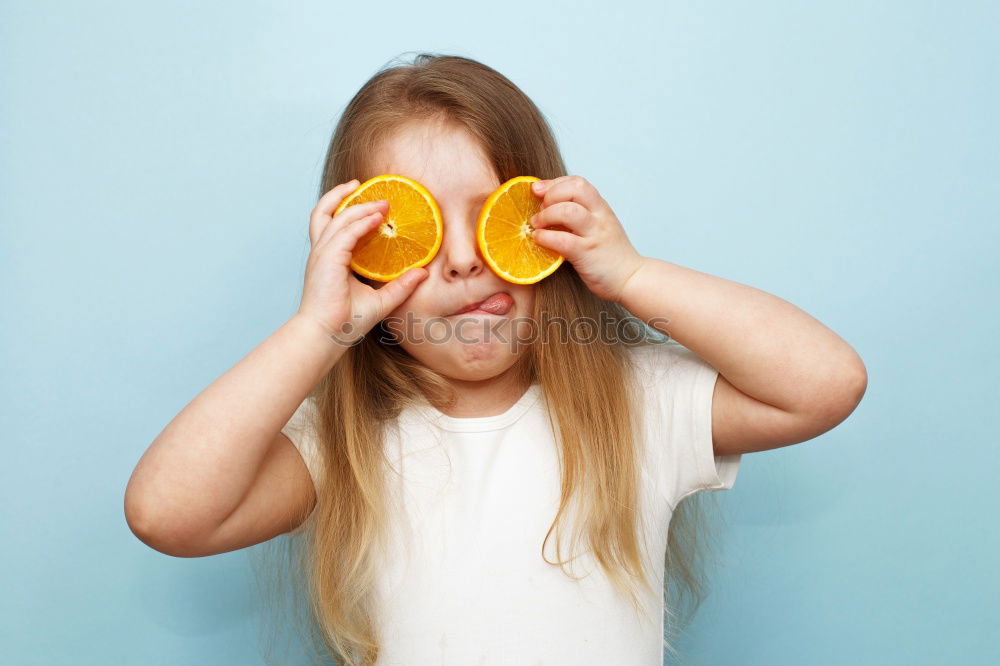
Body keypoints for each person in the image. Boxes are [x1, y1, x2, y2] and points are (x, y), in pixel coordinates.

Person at [124, 53, 867, 666]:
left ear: (546, 228)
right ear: (361, 262)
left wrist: (630, 275)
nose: (460, 262)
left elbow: (825, 384)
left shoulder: (632, 404)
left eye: (491, 219)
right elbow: (167, 514)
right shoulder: (344, 444)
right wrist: (319, 327)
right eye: (410, 233)